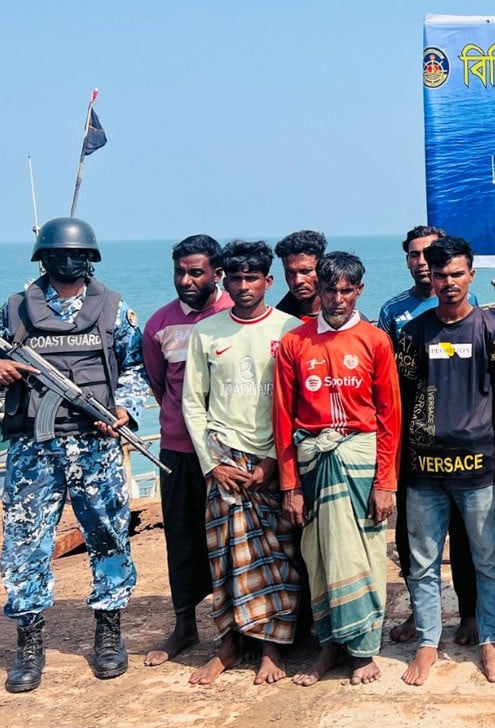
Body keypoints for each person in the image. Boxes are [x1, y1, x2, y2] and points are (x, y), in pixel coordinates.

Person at [0, 217, 150, 692]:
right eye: (59, 255)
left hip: (96, 445)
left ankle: (109, 632)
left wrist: (123, 410)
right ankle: (29, 642)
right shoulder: (15, 309)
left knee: (108, 536)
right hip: (32, 448)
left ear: (90, 259)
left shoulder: (114, 309)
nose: (68, 262)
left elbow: (135, 366)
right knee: (25, 544)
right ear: (43, 259)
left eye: (77, 255)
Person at [273, 251, 399, 686]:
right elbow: (283, 418)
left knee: (365, 556)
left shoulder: (375, 340)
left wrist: (386, 483)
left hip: (361, 462)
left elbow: (389, 416)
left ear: (359, 290)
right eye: (331, 290)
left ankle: (364, 651)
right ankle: (327, 648)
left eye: (347, 290)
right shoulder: (295, 342)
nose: (338, 298)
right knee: (320, 556)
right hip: (313, 465)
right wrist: (290, 486)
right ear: (319, 290)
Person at [181, 240, 304, 685]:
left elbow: (298, 401)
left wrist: (274, 460)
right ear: (224, 281)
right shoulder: (207, 332)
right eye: (235, 278)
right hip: (224, 460)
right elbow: (193, 402)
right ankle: (229, 644)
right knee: (225, 558)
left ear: (268, 281)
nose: (244, 286)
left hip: (274, 459)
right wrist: (212, 464)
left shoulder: (290, 330)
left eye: (252, 278)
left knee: (278, 556)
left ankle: (272, 648)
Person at [394, 235, 495, 686]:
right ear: (430, 276)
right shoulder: (413, 334)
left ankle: (489, 638)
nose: (448, 282)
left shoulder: (494, 332)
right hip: (423, 472)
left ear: (472, 275)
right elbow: (402, 399)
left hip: (478, 468)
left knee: (487, 562)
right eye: (440, 274)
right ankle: (428, 643)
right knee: (422, 564)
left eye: (457, 274)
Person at [378, 225, 480, 646]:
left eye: (431, 254)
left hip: (467, 451)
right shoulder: (395, 313)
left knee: (467, 539)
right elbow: (389, 383)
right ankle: (421, 616)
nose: (423, 262)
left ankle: (470, 613)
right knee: (414, 542)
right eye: (415, 255)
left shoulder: (473, 309)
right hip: (416, 450)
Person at [142, 234, 233, 667]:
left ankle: (234, 630)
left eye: (196, 272)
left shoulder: (235, 314)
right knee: (181, 535)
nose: (186, 280)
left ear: (217, 273)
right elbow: (159, 386)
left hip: (230, 451)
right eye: (179, 272)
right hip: (178, 449)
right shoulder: (159, 324)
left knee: (232, 539)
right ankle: (184, 624)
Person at [273, 230, 326, 321]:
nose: (298, 281)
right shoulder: (278, 321)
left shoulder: (347, 315)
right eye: (290, 273)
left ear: (321, 269)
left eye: (305, 271)